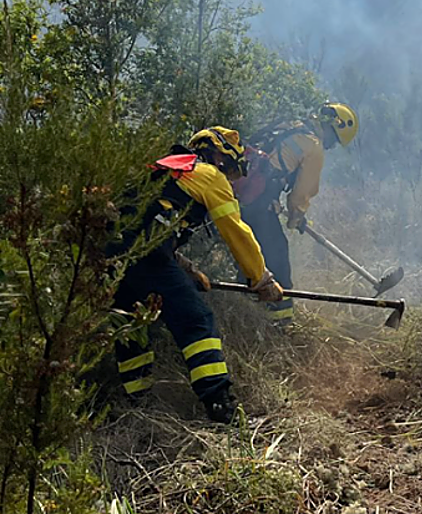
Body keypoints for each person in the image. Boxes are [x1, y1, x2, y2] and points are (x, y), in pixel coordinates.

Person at [111, 126, 284, 423]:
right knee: (196, 321)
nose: (229, 178)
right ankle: (221, 407)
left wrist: (185, 268)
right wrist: (260, 278)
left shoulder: (166, 167)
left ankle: (137, 403)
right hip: (146, 255)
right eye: (229, 169)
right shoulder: (208, 174)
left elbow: (146, 226)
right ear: (218, 155)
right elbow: (236, 231)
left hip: (112, 254)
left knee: (131, 323)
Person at [232, 102, 359, 328]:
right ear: (332, 127)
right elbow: (302, 192)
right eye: (335, 140)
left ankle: (245, 312)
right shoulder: (314, 146)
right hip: (258, 203)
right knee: (278, 256)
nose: (331, 146)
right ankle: (282, 322)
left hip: (239, 196)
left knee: (251, 251)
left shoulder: (293, 126)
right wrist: (296, 216)